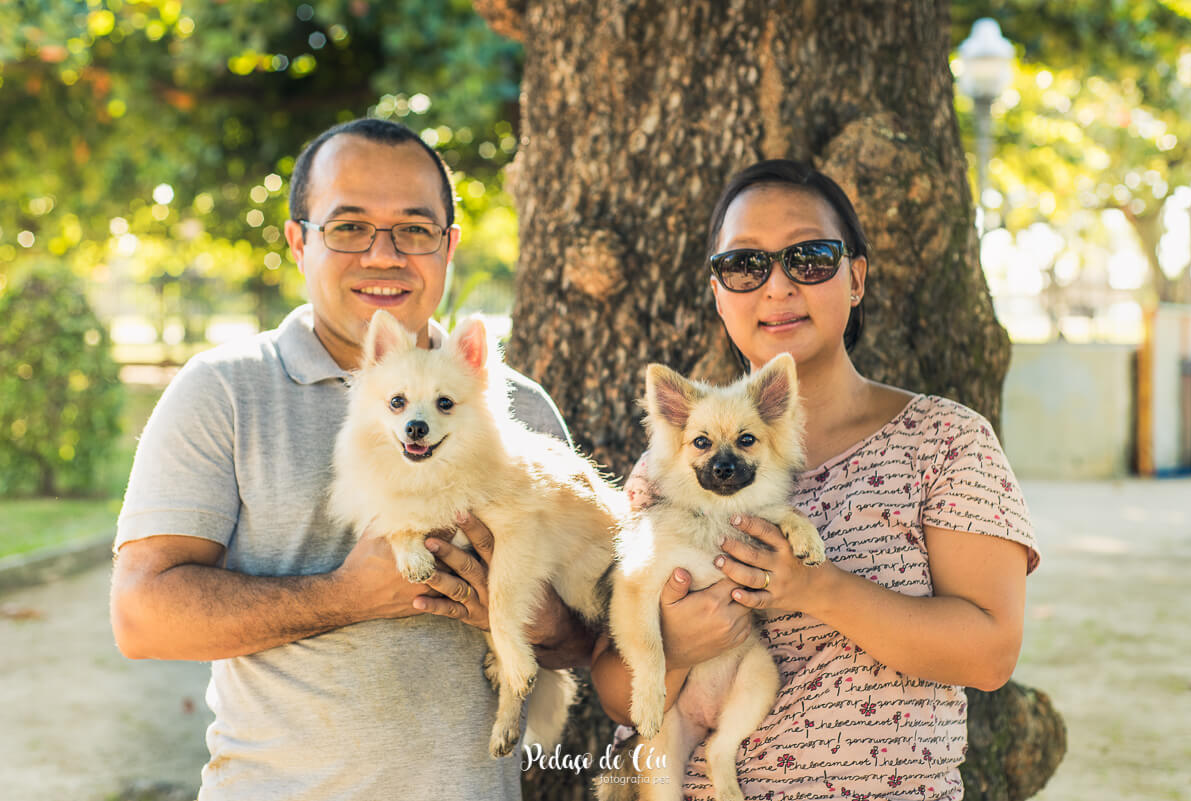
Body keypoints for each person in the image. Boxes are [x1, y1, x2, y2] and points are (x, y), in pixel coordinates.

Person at [109, 118, 594, 801]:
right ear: (298, 241)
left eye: (415, 230)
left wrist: (541, 621)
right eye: (349, 227)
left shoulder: (513, 409)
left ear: (448, 247)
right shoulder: (223, 390)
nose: (384, 254)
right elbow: (141, 615)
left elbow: (590, 644)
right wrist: (346, 595)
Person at [591, 159, 1040, 800]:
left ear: (855, 278)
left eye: (810, 258)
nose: (776, 287)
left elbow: (991, 655)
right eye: (744, 266)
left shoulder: (945, 441)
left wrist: (813, 588)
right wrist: (679, 644)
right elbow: (614, 690)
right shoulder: (671, 467)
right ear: (719, 292)